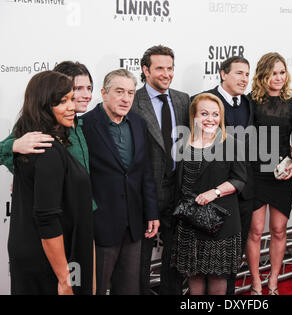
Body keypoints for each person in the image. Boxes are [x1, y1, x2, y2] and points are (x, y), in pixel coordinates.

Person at [8, 71, 94, 295]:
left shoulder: (38, 141)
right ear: (44, 105)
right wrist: (65, 279)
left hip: (41, 255)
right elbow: (47, 221)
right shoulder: (46, 149)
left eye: (71, 100)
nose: (71, 107)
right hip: (50, 262)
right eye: (62, 101)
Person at [81, 69, 160, 295]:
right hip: (100, 224)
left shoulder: (138, 123)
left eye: (131, 93)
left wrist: (151, 212)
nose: (126, 99)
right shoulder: (84, 125)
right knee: (95, 288)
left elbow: (145, 171)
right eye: (119, 92)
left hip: (134, 224)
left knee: (128, 289)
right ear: (104, 93)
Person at [170, 93, 247, 295]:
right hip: (189, 222)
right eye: (204, 113)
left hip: (221, 224)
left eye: (215, 114)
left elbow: (239, 180)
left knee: (217, 278)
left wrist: (215, 192)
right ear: (193, 116)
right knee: (194, 276)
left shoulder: (231, 143)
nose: (210, 119)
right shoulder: (182, 143)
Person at [131, 45, 190, 295]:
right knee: (140, 258)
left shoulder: (182, 99)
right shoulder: (132, 101)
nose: (166, 74)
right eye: (159, 68)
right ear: (145, 70)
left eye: (170, 68)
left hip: (177, 188)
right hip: (145, 192)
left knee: (175, 256)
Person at [194, 56, 254, 295]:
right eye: (239, 73)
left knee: (230, 261)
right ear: (222, 73)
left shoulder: (250, 103)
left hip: (242, 192)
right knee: (202, 266)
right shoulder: (202, 101)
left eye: (247, 74)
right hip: (209, 198)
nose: (244, 79)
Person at [245, 53, 292, 295]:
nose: (278, 77)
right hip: (255, 172)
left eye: (281, 72)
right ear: (262, 75)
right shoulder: (250, 102)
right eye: (272, 73)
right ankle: (256, 281)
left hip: (281, 173)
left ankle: (274, 280)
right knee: (255, 231)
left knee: (279, 230)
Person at [0, 61, 93, 175]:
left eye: (89, 88)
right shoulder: (37, 123)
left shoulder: (78, 122)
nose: (87, 95)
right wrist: (14, 145)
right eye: (77, 88)